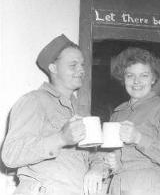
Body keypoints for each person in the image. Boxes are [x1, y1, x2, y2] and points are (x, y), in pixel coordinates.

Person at [1, 34, 103, 195]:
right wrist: (61, 138)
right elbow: (10, 155)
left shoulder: (82, 112)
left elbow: (93, 154)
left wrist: (97, 169)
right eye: (73, 65)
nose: (81, 70)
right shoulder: (34, 101)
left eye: (82, 64)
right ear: (53, 68)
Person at [103, 47, 160, 195]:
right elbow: (114, 158)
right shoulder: (117, 113)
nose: (136, 81)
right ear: (123, 78)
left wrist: (138, 138)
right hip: (118, 186)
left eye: (144, 75)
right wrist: (113, 165)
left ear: (153, 78)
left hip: (151, 187)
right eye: (130, 75)